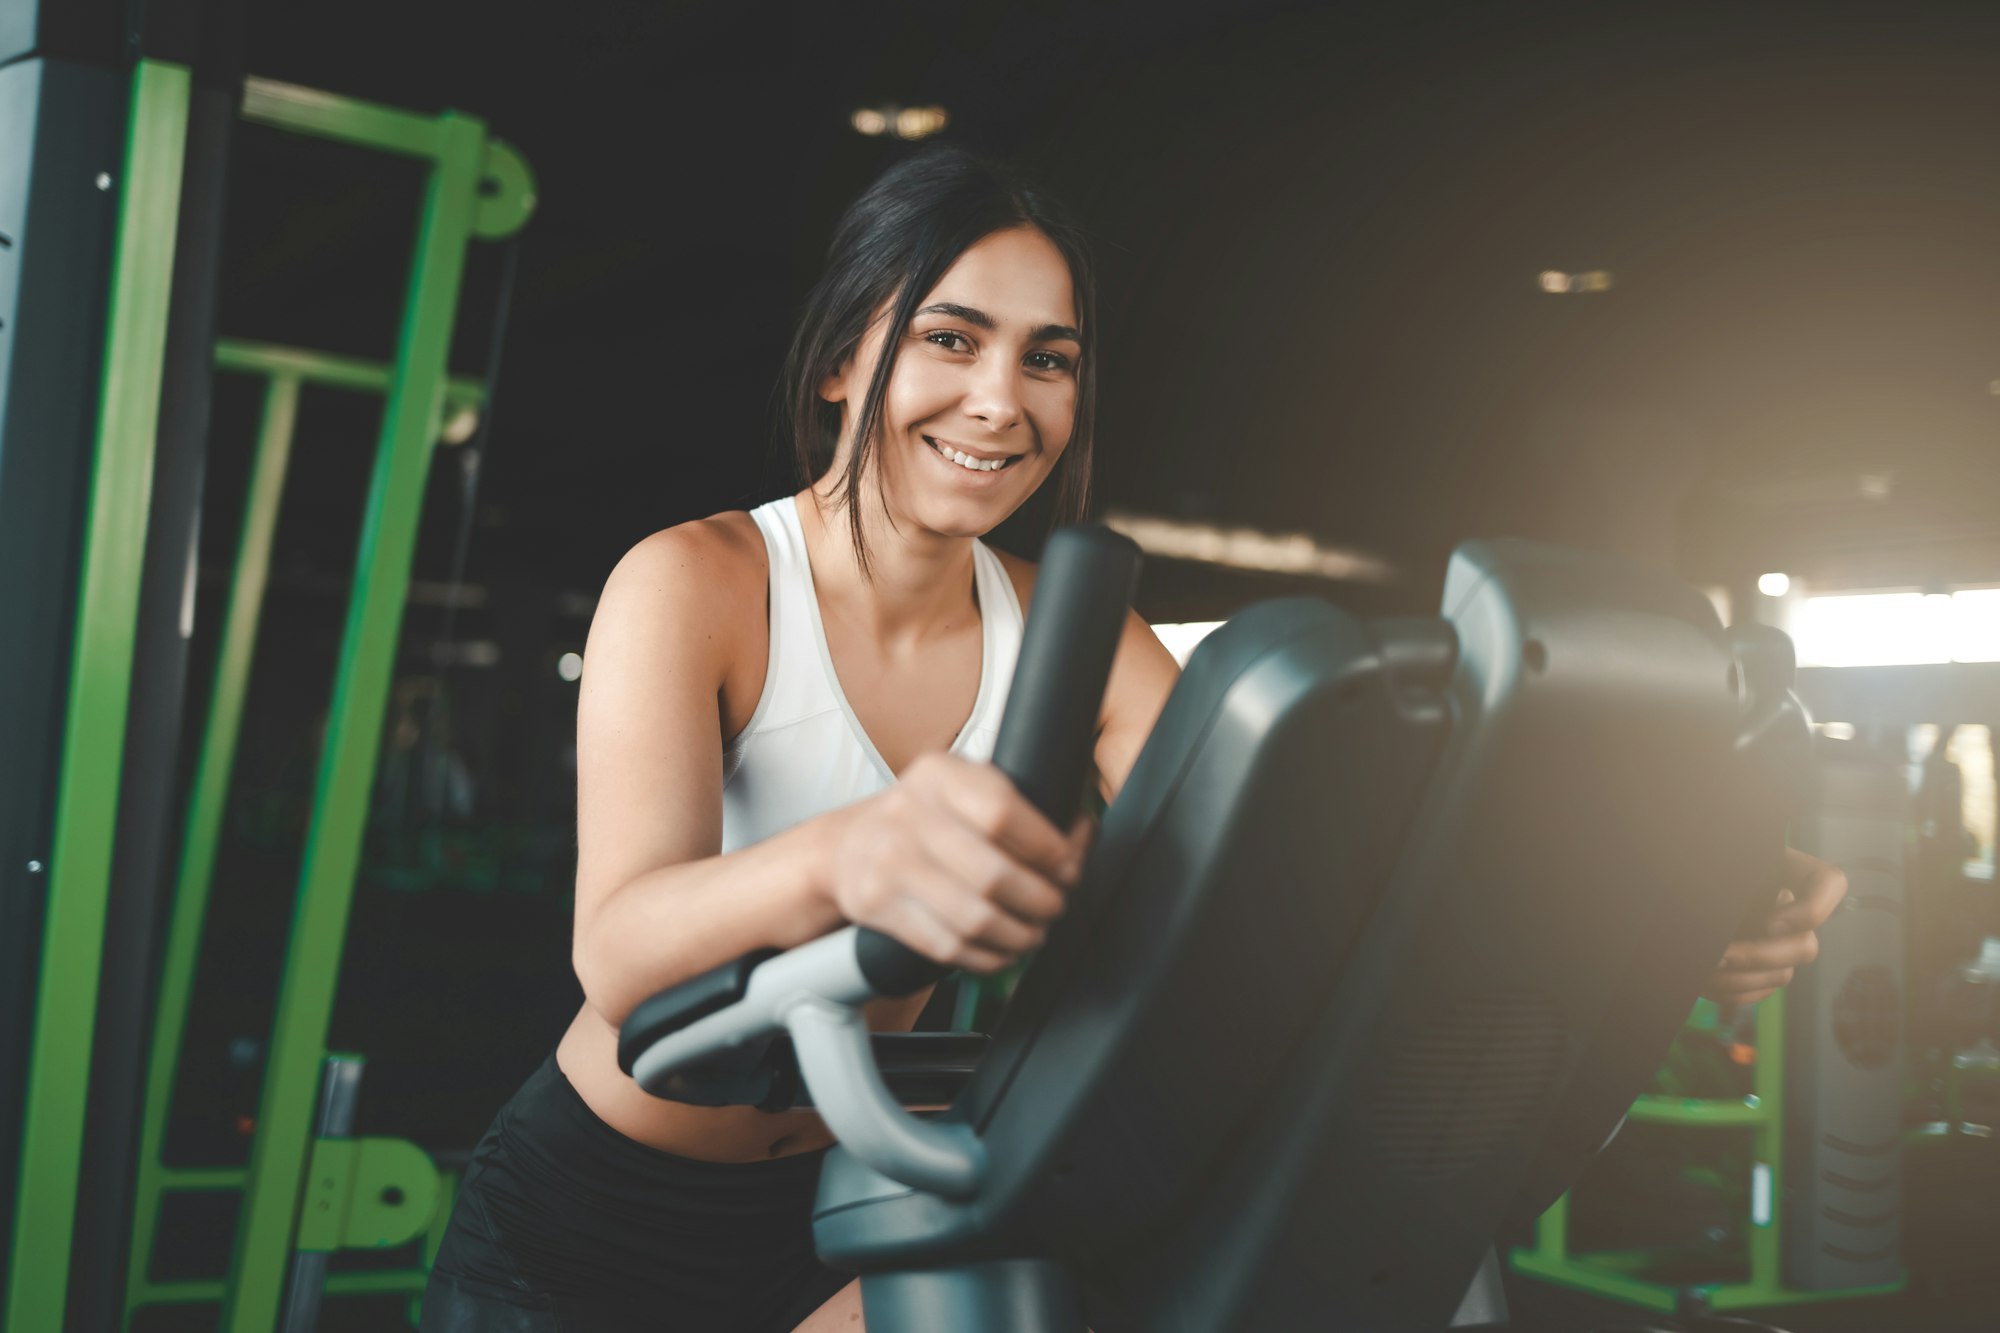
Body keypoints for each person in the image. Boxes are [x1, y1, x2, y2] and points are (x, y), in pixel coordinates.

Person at [420, 145, 1846, 1333]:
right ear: (847, 358)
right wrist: (858, 852)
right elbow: (617, 945)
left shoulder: (1077, 628)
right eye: (951, 338)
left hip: (856, 1200)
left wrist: (1652, 910)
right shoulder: (702, 580)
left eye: (1049, 359)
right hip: (596, 1216)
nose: (1002, 400)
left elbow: (1290, 885)